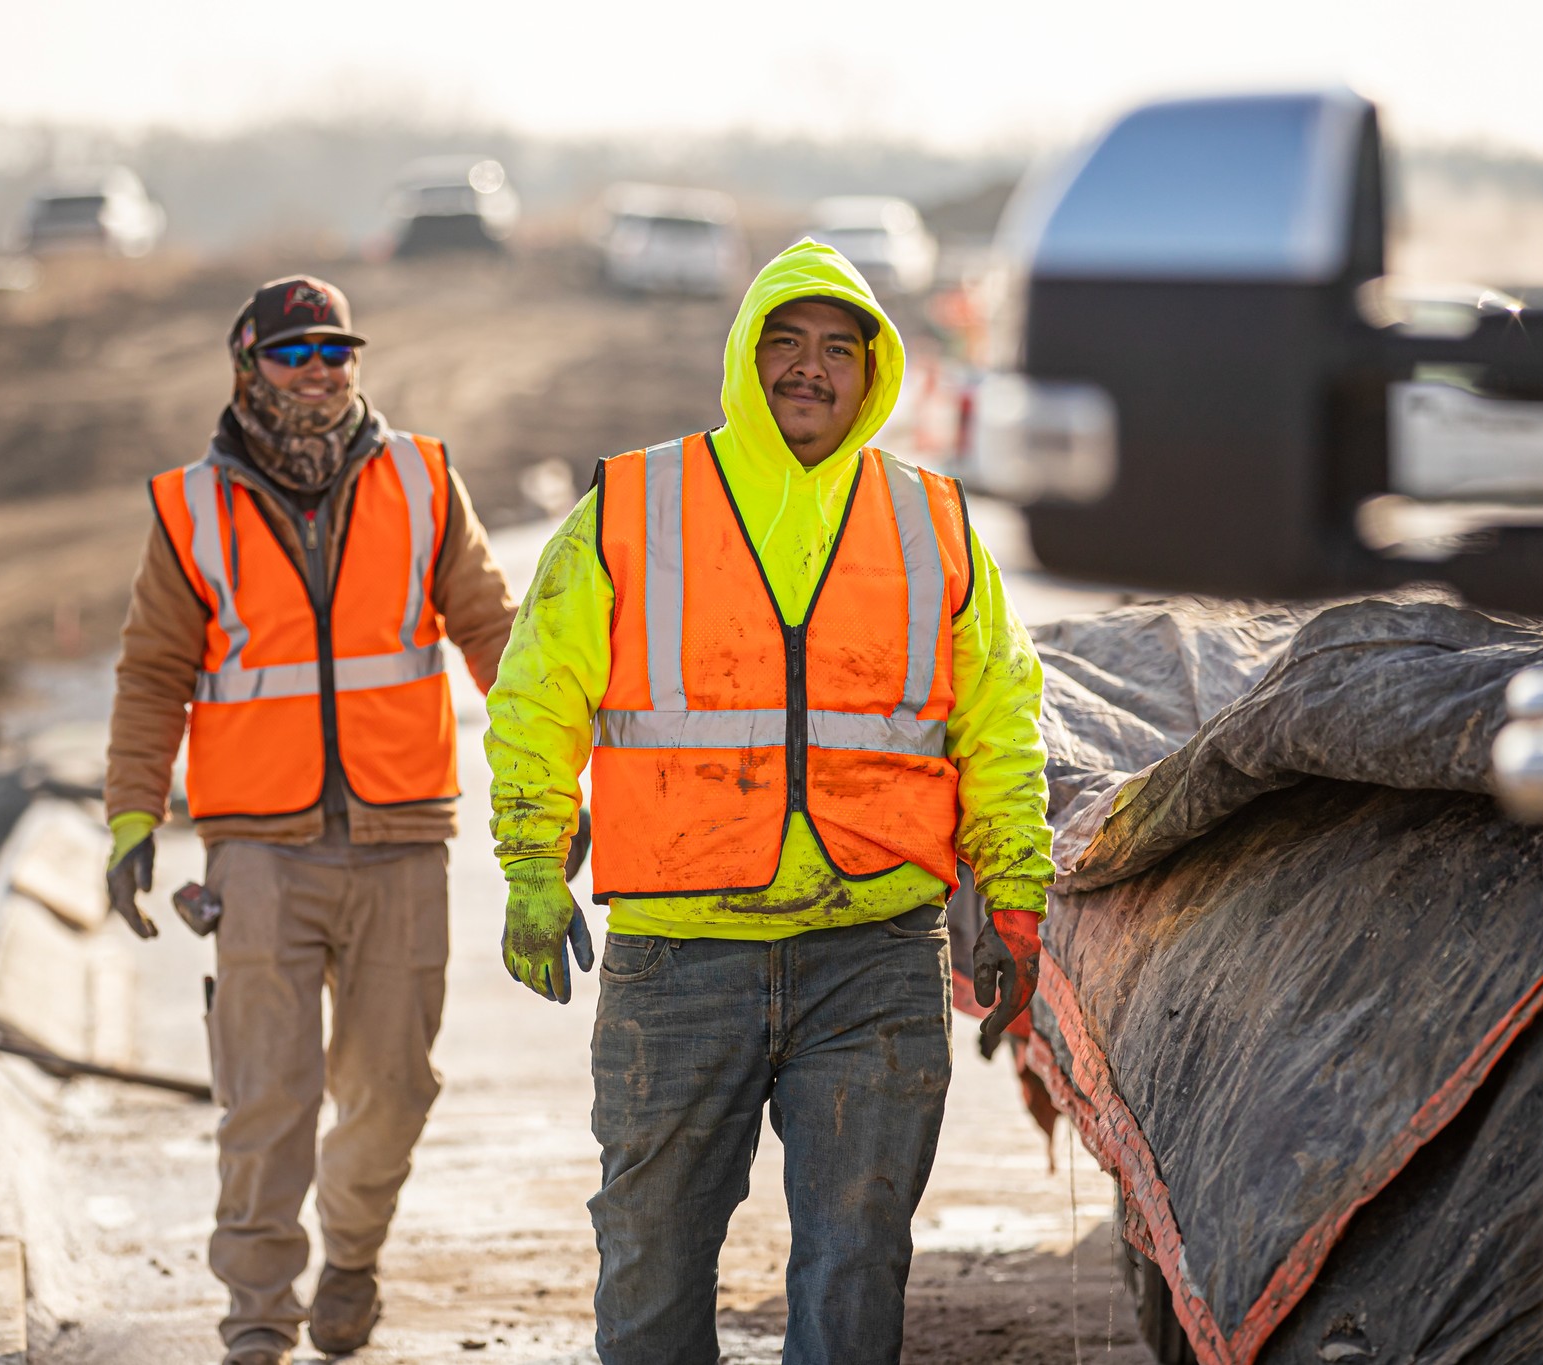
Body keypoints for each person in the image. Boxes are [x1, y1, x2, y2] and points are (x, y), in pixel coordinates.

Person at [483, 241, 1052, 1363]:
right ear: (745, 357)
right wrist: (531, 865)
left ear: (873, 370)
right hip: (679, 960)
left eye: (836, 349)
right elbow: (536, 691)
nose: (808, 368)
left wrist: (1015, 889)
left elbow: (998, 718)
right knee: (650, 1265)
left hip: (874, 951)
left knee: (855, 1267)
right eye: (784, 343)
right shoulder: (635, 503)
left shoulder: (931, 520)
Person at [104, 274, 518, 1364]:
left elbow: (495, 636)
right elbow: (152, 675)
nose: (323, 372)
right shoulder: (191, 507)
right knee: (265, 1097)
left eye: (337, 352)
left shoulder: (425, 480)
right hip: (257, 847)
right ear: (248, 367)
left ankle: (351, 1251)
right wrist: (131, 819)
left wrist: (552, 781)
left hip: (401, 836)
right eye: (296, 354)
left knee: (392, 1089)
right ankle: (255, 1318)